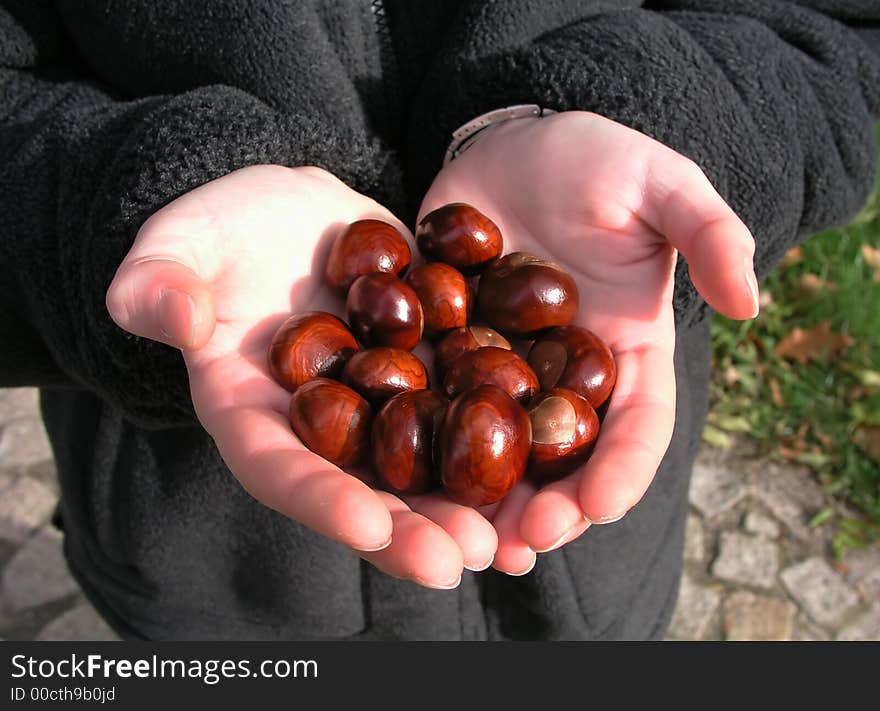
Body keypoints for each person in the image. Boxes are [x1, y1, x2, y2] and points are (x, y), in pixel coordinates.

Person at [1, 0, 877, 641]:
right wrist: (111, 204)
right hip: (218, 584)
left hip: (597, 587)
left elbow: (838, 30)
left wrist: (664, 119)